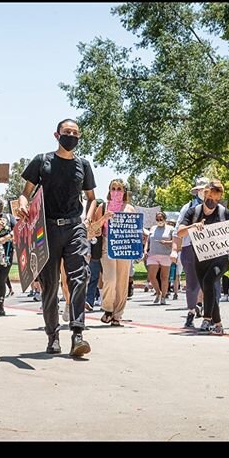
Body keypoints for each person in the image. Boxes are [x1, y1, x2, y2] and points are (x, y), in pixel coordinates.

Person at [19, 119, 97, 356]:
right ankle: (53, 335)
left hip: (75, 228)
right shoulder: (42, 161)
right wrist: (23, 207)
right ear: (57, 135)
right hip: (46, 230)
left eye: (75, 133)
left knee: (80, 276)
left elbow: (92, 198)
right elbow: (25, 193)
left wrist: (87, 220)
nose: (71, 136)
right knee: (50, 285)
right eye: (67, 132)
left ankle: (77, 334)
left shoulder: (83, 165)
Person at [177, 179, 229, 335]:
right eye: (211, 198)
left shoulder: (224, 213)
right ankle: (218, 324)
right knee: (207, 287)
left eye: (217, 199)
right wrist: (193, 226)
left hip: (221, 257)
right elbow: (180, 232)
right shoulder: (194, 212)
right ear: (205, 194)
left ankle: (206, 319)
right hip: (201, 256)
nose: (213, 202)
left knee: (208, 281)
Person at [98, 179, 137, 326]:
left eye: (119, 189)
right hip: (107, 244)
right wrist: (104, 218)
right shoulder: (103, 206)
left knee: (122, 281)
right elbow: (94, 228)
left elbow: (135, 229)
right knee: (110, 278)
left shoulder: (130, 208)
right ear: (109, 191)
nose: (116, 191)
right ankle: (107, 309)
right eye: (113, 188)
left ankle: (117, 314)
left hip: (125, 246)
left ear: (124, 191)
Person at [173, 177, 208, 328]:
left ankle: (209, 313)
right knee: (192, 283)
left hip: (210, 249)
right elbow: (178, 230)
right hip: (189, 247)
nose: (203, 192)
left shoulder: (216, 207)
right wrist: (174, 249)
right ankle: (191, 311)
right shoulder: (187, 208)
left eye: (206, 189)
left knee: (210, 281)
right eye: (200, 189)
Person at [145, 211, 174, 305]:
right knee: (151, 276)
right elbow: (148, 241)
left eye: (161, 219)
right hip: (152, 254)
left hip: (165, 254)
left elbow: (175, 241)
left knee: (164, 277)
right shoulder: (153, 228)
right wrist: (145, 250)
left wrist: (166, 242)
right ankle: (158, 292)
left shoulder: (170, 229)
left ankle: (163, 297)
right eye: (157, 219)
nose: (159, 221)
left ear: (165, 219)